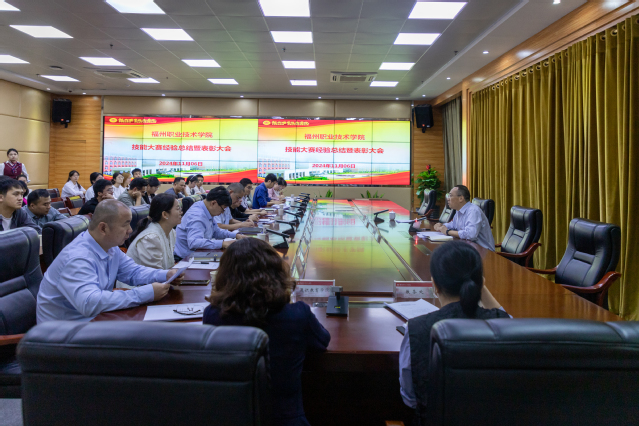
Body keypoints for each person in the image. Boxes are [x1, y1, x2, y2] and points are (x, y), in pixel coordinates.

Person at [203, 237, 330, 426]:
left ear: (225, 276)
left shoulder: (213, 315)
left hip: (232, 417)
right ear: (276, 272)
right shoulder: (297, 314)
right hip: (286, 419)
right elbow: (322, 341)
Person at [399, 241, 510, 425]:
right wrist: (480, 286)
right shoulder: (502, 327)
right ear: (480, 283)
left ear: (434, 285)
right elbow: (510, 321)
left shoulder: (415, 329)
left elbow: (410, 398)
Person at [36, 199, 184, 323]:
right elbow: (89, 303)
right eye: (125, 224)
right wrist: (146, 293)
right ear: (103, 228)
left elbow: (133, 272)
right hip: (60, 335)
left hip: (92, 322)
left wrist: (165, 275)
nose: (130, 230)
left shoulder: (110, 247)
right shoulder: (77, 257)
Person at [174, 187, 247, 261]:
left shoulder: (206, 209)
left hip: (198, 253)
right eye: (223, 208)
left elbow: (216, 231)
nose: (223, 212)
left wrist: (236, 235)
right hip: (186, 259)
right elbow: (194, 242)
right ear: (213, 203)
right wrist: (223, 243)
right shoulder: (197, 215)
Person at [125, 193, 181, 270]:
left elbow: (168, 266)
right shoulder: (151, 238)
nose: (181, 212)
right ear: (165, 214)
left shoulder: (171, 232)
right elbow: (155, 274)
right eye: (178, 209)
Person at [433, 185, 495, 251]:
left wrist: (448, 232)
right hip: (469, 247)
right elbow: (453, 225)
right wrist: (442, 226)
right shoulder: (459, 211)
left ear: (461, 198)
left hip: (484, 251)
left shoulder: (473, 211)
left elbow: (471, 234)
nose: (448, 199)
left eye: (450, 196)